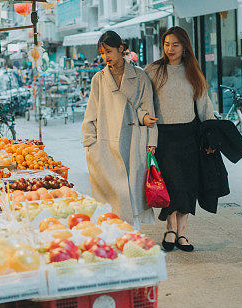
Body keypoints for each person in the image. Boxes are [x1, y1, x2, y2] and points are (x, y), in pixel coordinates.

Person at [145, 27, 216, 252]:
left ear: (185, 46)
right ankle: (170, 229)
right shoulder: (153, 70)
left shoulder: (193, 72)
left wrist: (211, 136)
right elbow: (142, 100)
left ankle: (182, 233)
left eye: (175, 44)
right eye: (167, 44)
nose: (170, 49)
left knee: (187, 186)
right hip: (163, 137)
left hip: (189, 136)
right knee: (171, 185)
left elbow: (205, 106)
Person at [81, 31, 158, 227]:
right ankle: (116, 237)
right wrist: (90, 141)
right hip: (106, 142)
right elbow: (91, 110)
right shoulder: (99, 78)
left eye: (108, 51)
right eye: (102, 53)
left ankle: (133, 237)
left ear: (121, 49)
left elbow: (149, 112)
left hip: (133, 140)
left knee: (131, 194)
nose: (106, 57)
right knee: (111, 199)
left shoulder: (140, 76)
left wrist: (151, 143)